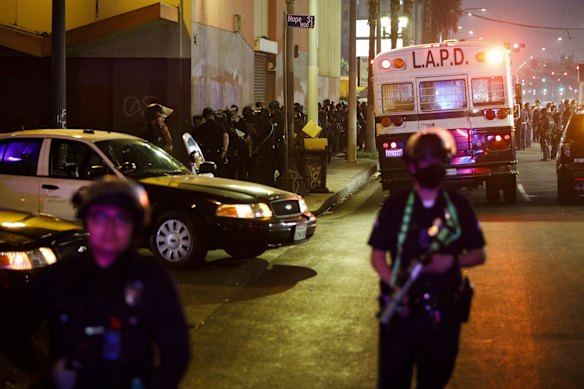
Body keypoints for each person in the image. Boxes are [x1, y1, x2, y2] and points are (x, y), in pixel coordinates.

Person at [25, 176, 190, 388]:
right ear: (87, 221)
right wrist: (46, 374)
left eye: (121, 218)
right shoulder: (60, 277)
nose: (110, 227)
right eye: (100, 216)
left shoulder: (153, 280)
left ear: (135, 226)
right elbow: (12, 329)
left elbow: (176, 349)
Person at [368, 128, 486, 389]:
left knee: (435, 379)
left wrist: (452, 263)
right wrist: (398, 288)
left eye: (435, 159)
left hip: (444, 311)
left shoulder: (458, 206)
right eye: (424, 160)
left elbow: (479, 253)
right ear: (411, 166)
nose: (429, 165)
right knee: (392, 380)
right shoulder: (395, 207)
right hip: (402, 311)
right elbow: (377, 257)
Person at [196, 107, 229, 177]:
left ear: (204, 117)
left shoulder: (201, 127)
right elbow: (225, 137)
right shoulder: (220, 125)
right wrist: (224, 151)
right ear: (213, 115)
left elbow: (198, 142)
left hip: (206, 155)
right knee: (220, 175)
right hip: (218, 154)